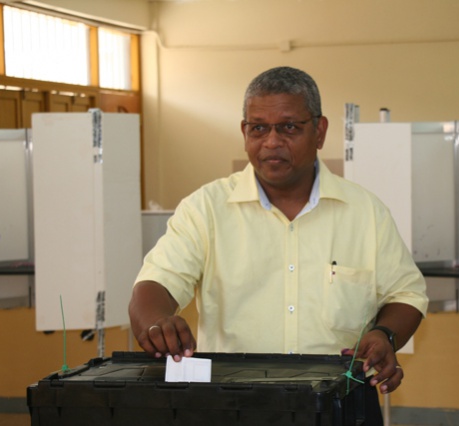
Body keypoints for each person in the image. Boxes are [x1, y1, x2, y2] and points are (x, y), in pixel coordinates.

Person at [128, 66, 428, 424]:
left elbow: (406, 294)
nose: (271, 141)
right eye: (258, 128)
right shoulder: (205, 209)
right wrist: (158, 321)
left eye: (289, 127)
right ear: (244, 132)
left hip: (340, 401)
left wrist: (384, 334)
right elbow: (155, 284)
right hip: (231, 405)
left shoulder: (366, 212)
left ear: (319, 131)